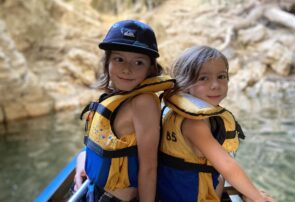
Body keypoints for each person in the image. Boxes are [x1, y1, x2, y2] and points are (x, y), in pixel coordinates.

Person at [157, 45, 275, 202]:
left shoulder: (172, 110)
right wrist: (258, 198)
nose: (215, 85)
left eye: (221, 76)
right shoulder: (194, 123)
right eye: (203, 78)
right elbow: (227, 166)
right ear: (184, 82)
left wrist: (249, 191)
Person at [73, 19, 174, 202]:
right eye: (119, 59)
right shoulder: (116, 97)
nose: (127, 69)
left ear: (151, 68)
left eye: (138, 62)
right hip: (95, 191)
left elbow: (149, 168)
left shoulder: (144, 103)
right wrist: (82, 159)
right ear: (108, 62)